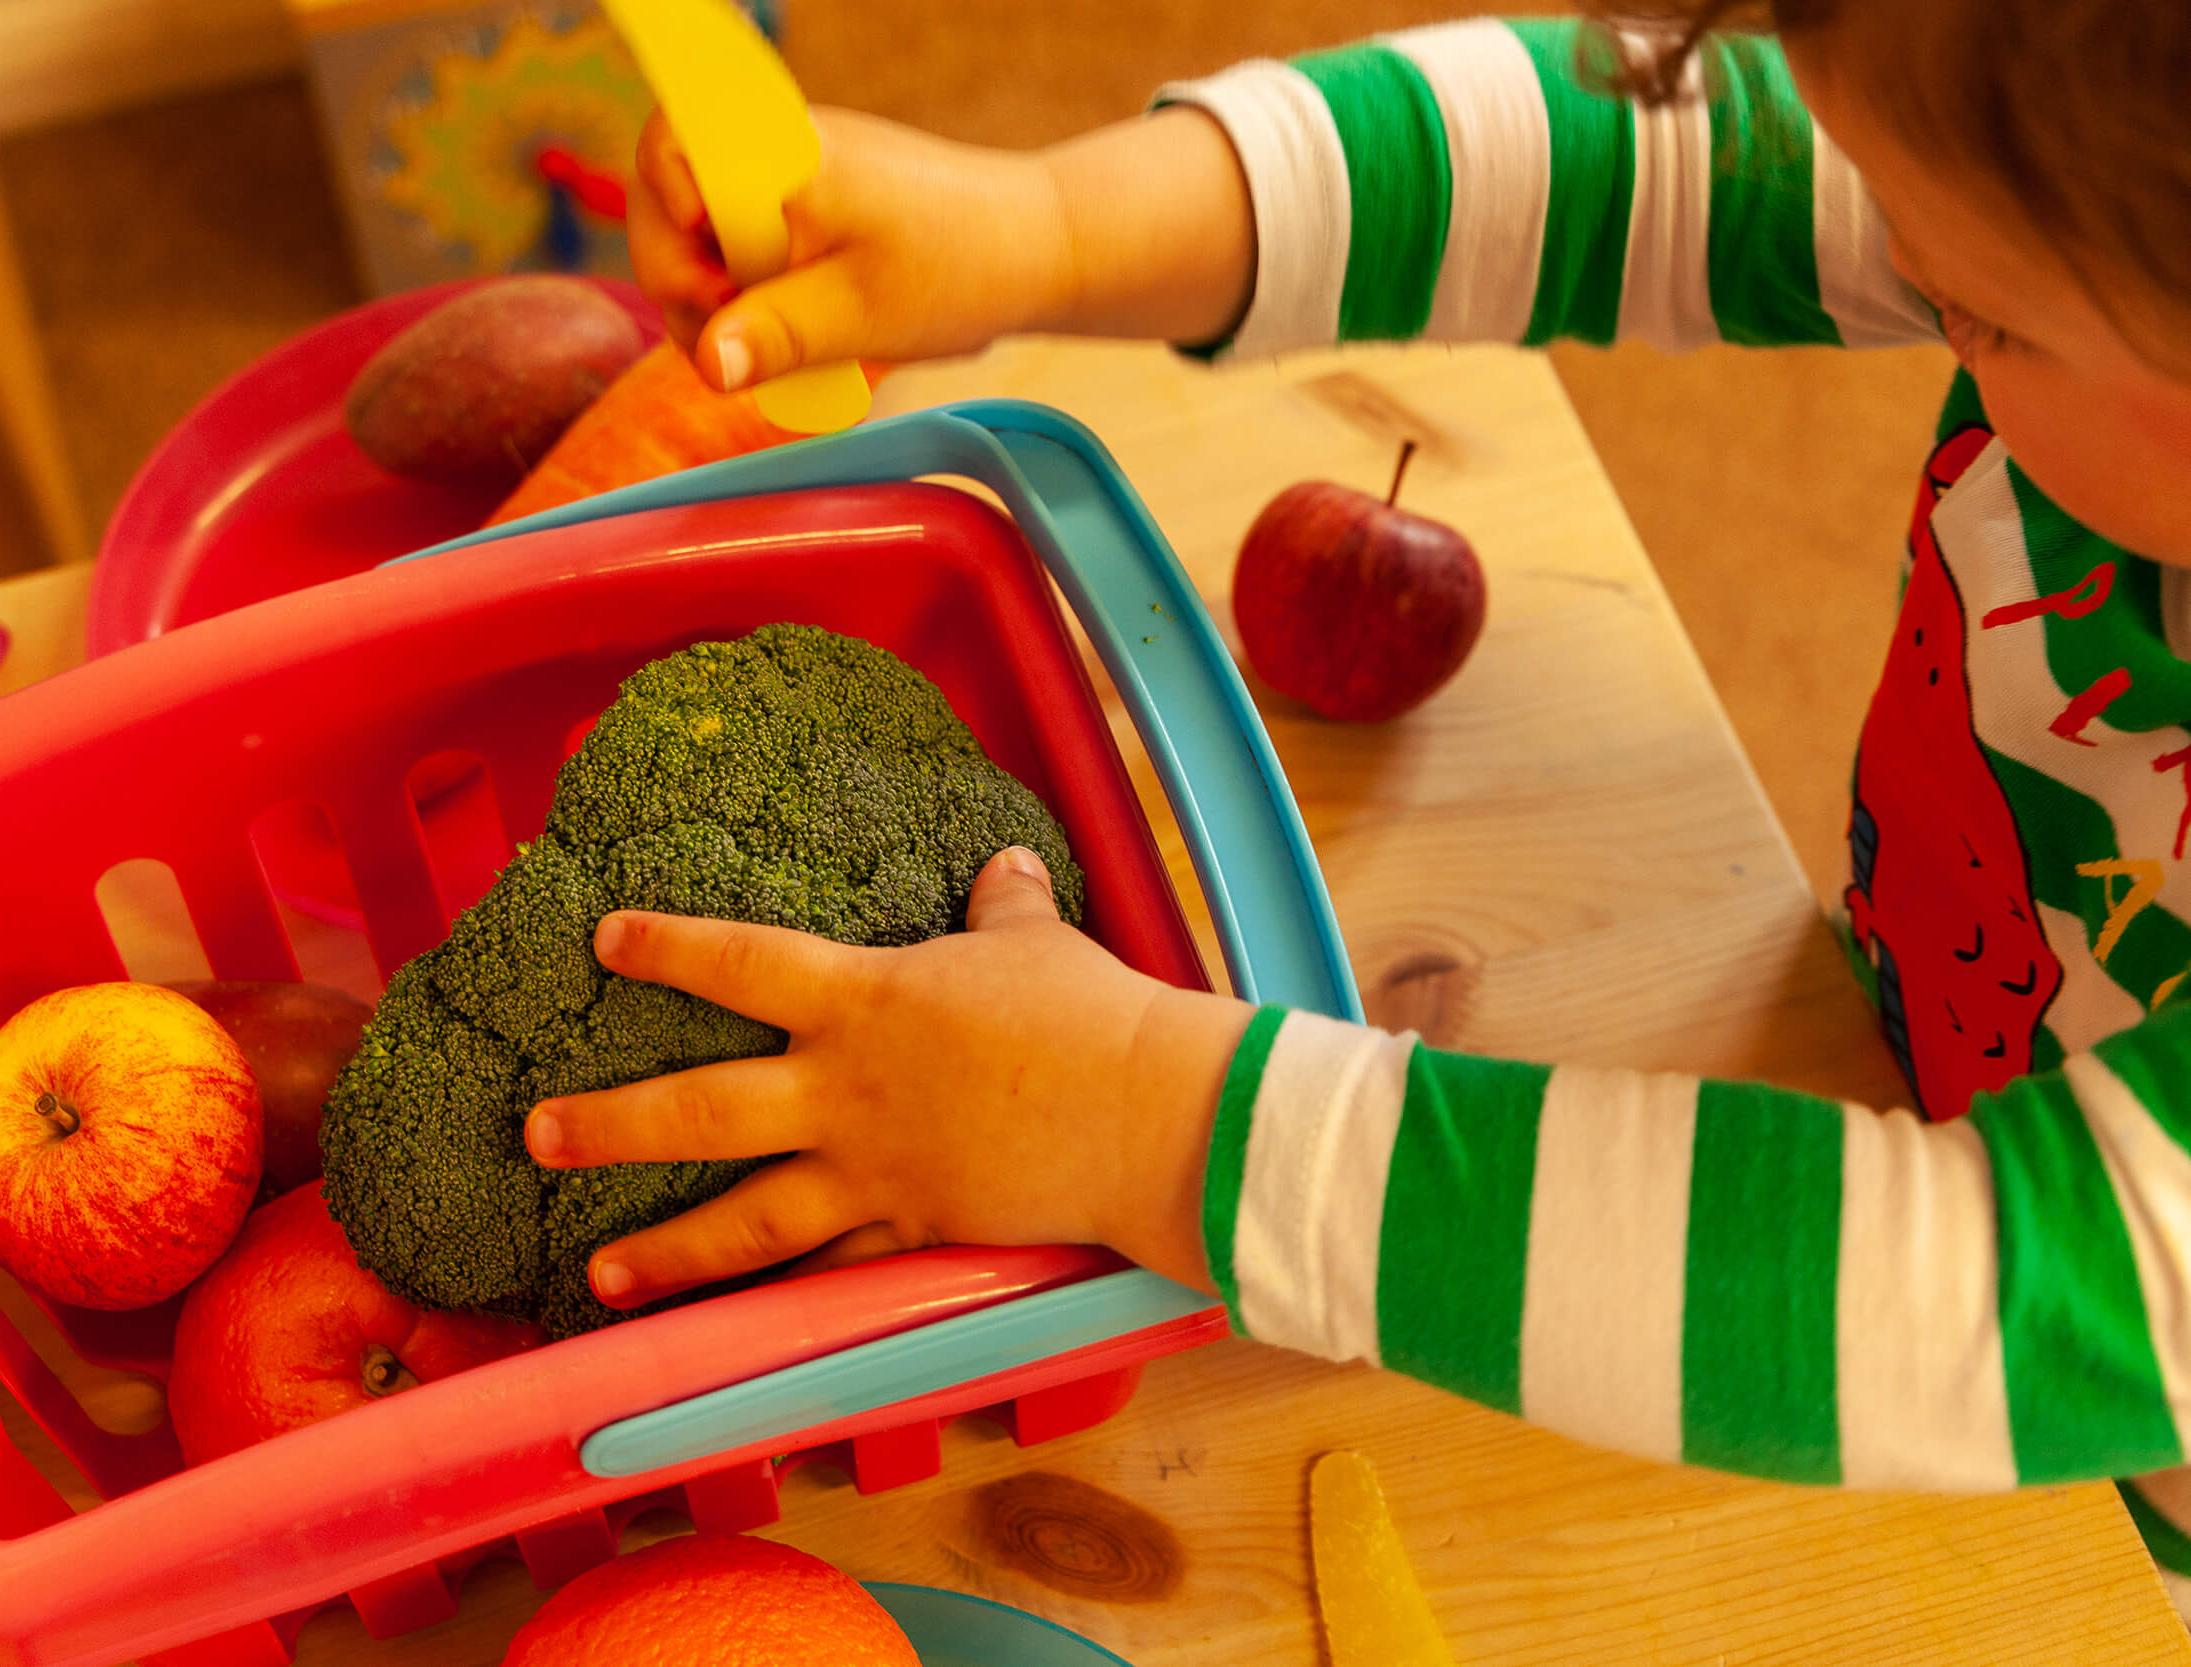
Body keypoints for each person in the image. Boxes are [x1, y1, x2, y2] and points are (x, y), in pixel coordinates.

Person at [527, 0, 2191, 1613]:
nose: (1914, 285)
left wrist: (1140, 1120)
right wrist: (1052, 224)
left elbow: (1955, 1293)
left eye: (1983, 318)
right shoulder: (2087, 204)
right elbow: (1647, 162)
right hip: (1949, 1034)